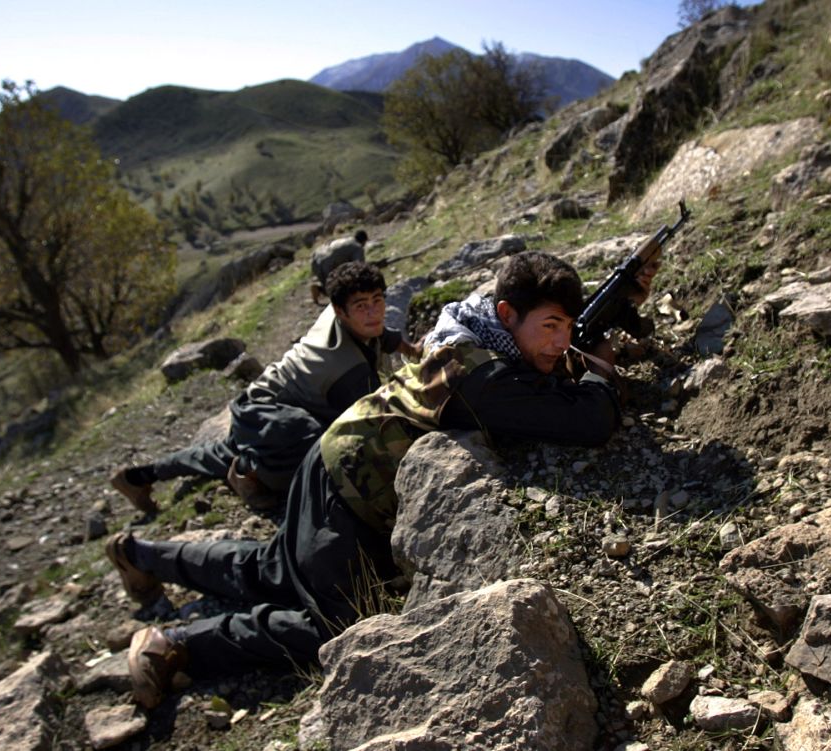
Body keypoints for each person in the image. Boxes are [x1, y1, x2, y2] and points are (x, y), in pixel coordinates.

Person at [107, 251, 641, 709]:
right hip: (349, 489)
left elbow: (542, 370)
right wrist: (602, 370)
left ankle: (140, 554)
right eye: (550, 326)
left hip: (335, 458)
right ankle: (171, 643)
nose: (561, 340)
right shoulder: (481, 377)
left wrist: (594, 328)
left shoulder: (479, 330)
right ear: (508, 314)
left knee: (272, 568)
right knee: (337, 627)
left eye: (569, 327)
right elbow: (588, 421)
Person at [111, 261, 418, 513]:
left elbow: (383, 334)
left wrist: (413, 351)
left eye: (378, 300)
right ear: (340, 311)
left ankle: (140, 475)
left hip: (264, 403)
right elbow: (369, 425)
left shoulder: (344, 316)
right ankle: (250, 472)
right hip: (270, 415)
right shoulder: (347, 370)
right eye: (362, 305)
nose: (373, 312)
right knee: (322, 458)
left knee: (216, 454)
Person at [310, 230, 368, 305]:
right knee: (335, 289)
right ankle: (319, 288)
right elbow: (358, 266)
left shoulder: (347, 240)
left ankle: (317, 289)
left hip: (317, 258)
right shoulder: (357, 247)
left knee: (328, 283)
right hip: (328, 264)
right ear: (364, 241)